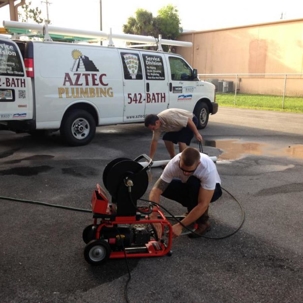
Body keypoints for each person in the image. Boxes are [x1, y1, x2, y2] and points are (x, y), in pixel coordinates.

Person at [149, 147, 222, 238]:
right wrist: (154, 215)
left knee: (193, 182)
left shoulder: (207, 168)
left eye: (189, 171)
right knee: (165, 187)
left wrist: (180, 226)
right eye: (182, 169)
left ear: (198, 164)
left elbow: (203, 203)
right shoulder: (173, 163)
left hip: (213, 190)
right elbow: (156, 190)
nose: (185, 173)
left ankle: (203, 222)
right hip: (189, 186)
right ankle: (192, 213)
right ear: (180, 160)